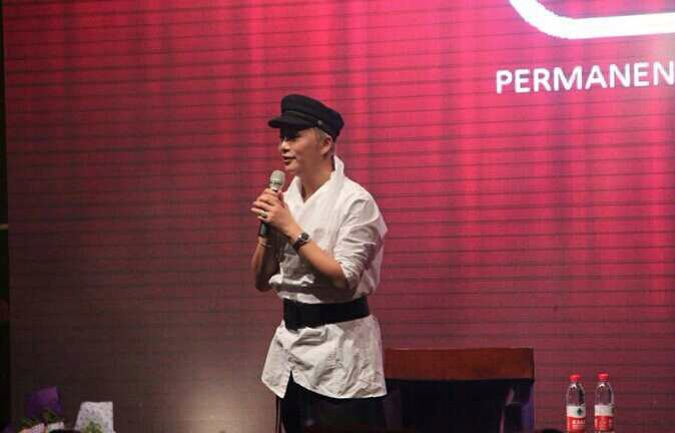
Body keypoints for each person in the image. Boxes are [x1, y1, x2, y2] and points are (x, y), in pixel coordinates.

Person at [250, 94, 388, 433]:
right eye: (282, 138)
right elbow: (261, 280)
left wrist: (290, 228)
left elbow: (343, 277)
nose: (283, 146)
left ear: (325, 143)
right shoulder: (285, 200)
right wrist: (267, 232)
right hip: (291, 351)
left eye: (294, 137)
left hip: (340, 352)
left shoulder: (355, 201)